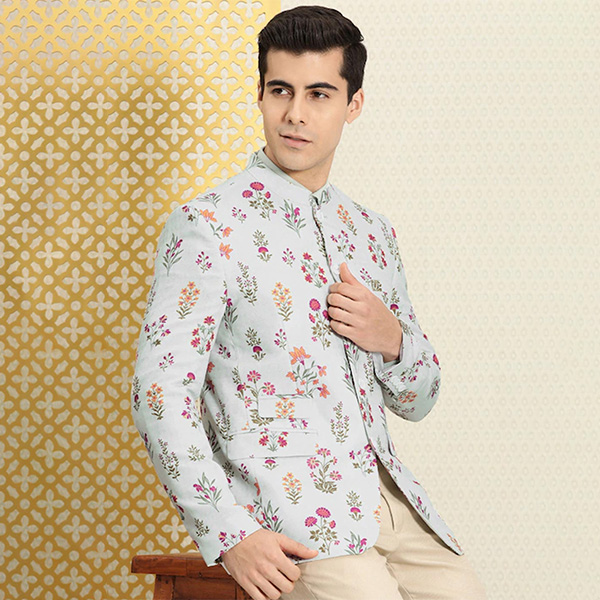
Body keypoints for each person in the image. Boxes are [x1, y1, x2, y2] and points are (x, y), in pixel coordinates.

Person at [130, 5, 487, 600]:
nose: (295, 113)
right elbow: (158, 393)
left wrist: (392, 339)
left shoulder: (372, 233)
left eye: (319, 94)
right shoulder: (210, 226)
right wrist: (230, 532)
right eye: (281, 91)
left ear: (353, 104)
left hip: (391, 503)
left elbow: (420, 399)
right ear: (261, 95)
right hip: (291, 513)